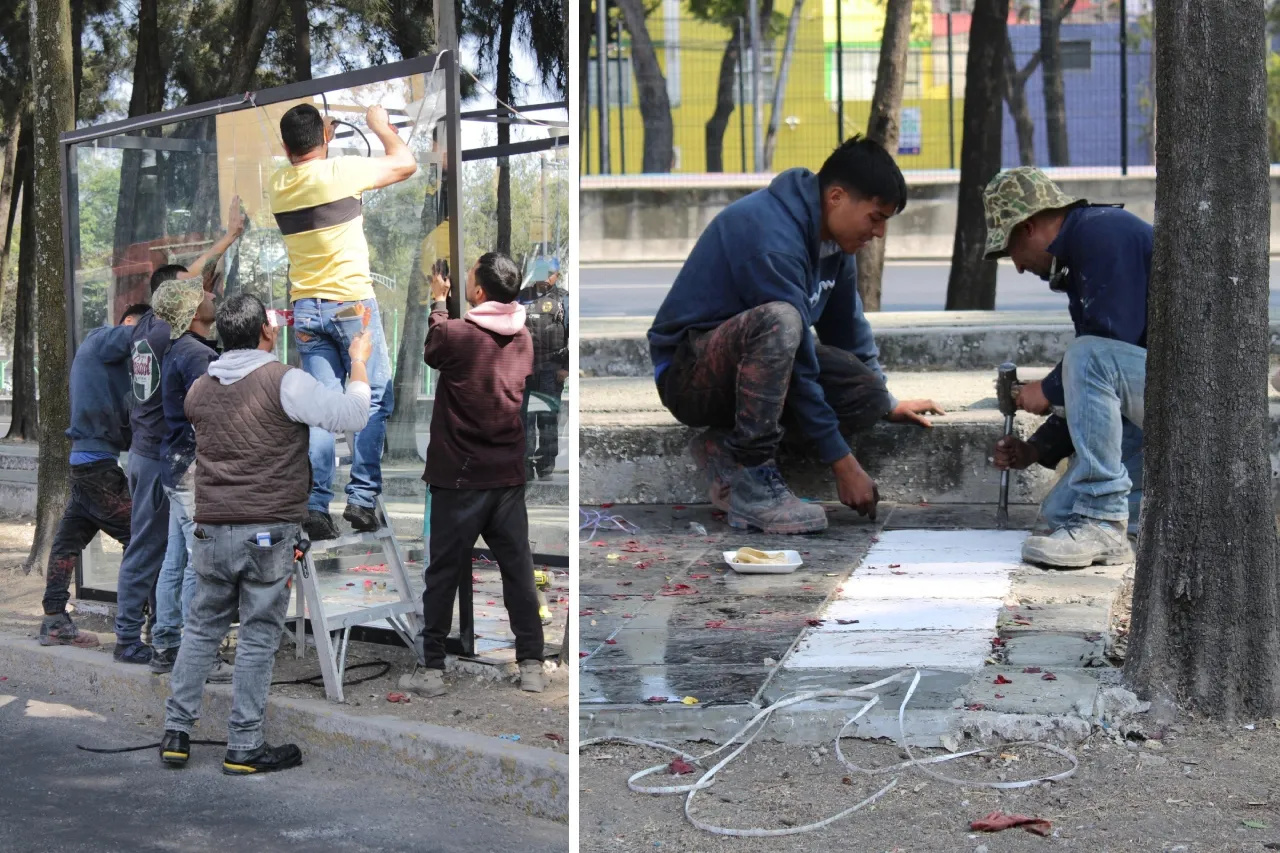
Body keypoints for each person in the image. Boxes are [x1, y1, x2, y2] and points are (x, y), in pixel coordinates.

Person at [647, 136, 942, 535]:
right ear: (836, 197)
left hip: (763, 365)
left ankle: (724, 447)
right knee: (782, 322)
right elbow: (799, 361)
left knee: (866, 395)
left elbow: (848, 332)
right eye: (875, 218)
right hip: (691, 374)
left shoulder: (835, 245)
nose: (880, 233)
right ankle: (752, 477)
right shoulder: (771, 237)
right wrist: (843, 462)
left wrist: (885, 399)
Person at [160, 293, 373, 775]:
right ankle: (244, 745)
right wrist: (358, 363)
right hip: (267, 534)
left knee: (200, 629)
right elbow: (352, 415)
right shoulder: (285, 381)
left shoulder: (199, 389)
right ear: (267, 332)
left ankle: (176, 733)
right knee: (257, 635)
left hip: (211, 531)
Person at [985, 166, 1151, 569]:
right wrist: (1037, 448)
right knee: (1062, 512)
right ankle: (1147, 519)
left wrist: (1046, 389)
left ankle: (1103, 522)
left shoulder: (1101, 233)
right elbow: (1100, 384)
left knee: (1087, 354)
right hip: (1157, 393)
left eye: (1011, 254)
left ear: (1026, 227)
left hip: (1199, 393)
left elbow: (1107, 349)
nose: (1020, 267)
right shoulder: (1085, 247)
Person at [398, 253, 545, 698]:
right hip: (506, 478)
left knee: (443, 573)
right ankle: (532, 664)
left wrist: (438, 301)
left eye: (468, 280)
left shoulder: (458, 335)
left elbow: (434, 347)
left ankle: (432, 671)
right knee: (517, 571)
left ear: (479, 292)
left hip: (459, 479)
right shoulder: (524, 339)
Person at [268, 102, 417, 541]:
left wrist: (321, 137)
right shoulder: (339, 173)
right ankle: (362, 498)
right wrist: (378, 126)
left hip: (308, 310)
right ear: (327, 137)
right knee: (370, 398)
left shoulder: (278, 184)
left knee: (321, 410)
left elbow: (305, 159)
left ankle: (316, 504)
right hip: (352, 304)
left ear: (284, 146)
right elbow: (404, 163)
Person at [111, 200, 246, 665]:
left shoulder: (147, 326)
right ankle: (138, 637)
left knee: (166, 552)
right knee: (160, 551)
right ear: (176, 299)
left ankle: (161, 635)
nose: (201, 291)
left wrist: (228, 238)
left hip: (150, 454)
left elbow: (189, 274)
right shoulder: (178, 339)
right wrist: (227, 237)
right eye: (191, 290)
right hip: (158, 456)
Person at [38, 304, 152, 647]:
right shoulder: (101, 340)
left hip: (87, 465)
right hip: (97, 468)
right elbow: (138, 334)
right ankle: (143, 629)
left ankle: (54, 621)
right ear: (130, 322)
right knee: (143, 542)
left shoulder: (116, 371)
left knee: (68, 542)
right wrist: (160, 327)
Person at [148, 280, 231, 680]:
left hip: (174, 465)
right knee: (200, 565)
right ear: (194, 313)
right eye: (206, 296)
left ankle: (165, 644)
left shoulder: (178, 348)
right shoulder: (197, 356)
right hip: (191, 469)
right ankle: (197, 656)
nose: (213, 296)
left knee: (175, 560)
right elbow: (213, 414)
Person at [517, 256, 569, 479]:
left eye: (550, 273)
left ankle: (546, 465)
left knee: (547, 419)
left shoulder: (565, 299)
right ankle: (525, 465)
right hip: (524, 370)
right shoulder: (521, 298)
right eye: (542, 272)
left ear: (557, 275)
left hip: (551, 369)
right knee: (524, 420)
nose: (546, 277)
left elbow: (573, 335)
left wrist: (565, 367)